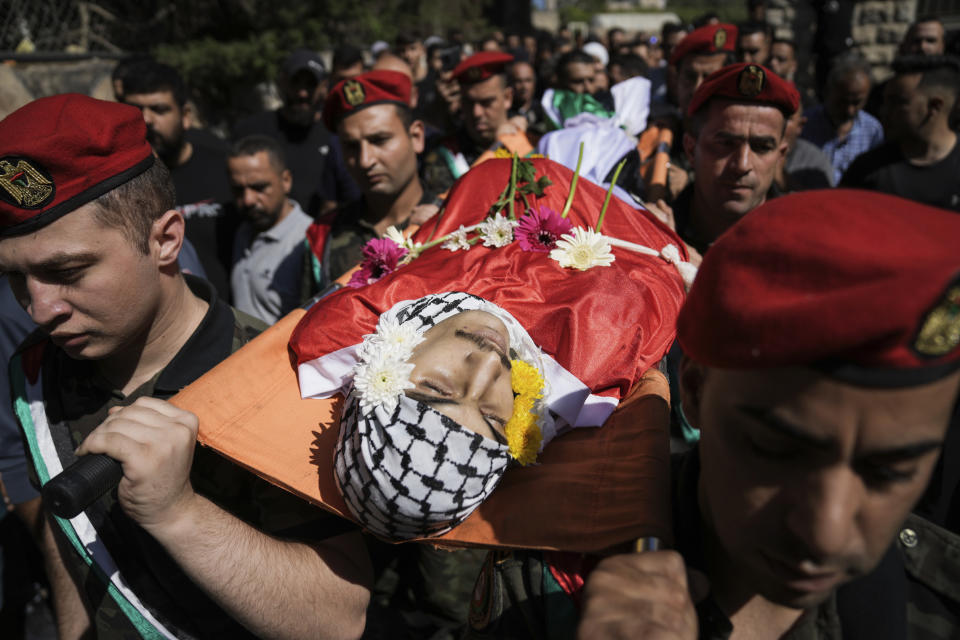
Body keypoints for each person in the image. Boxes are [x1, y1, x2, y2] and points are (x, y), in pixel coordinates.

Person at [0, 94, 370, 639]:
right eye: (14, 277)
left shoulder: (286, 378)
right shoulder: (32, 372)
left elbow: (337, 620)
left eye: (69, 270)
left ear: (166, 239)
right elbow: (70, 539)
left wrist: (178, 514)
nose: (39, 307)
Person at [578, 188, 960, 639]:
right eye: (775, 451)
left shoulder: (942, 600)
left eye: (891, 471)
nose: (827, 533)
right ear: (695, 390)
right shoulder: (559, 576)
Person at [306, 70, 433, 291]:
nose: (365, 161)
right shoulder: (323, 238)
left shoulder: (452, 217)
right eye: (351, 147)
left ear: (416, 137)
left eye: (379, 140)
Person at [122, 60, 235, 298]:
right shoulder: (117, 185)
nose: (146, 120)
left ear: (185, 116)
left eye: (159, 109)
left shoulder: (224, 168)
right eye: (135, 110)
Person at [671, 63, 796, 256]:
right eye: (726, 144)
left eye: (762, 148)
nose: (742, 165)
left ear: (780, 156)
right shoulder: (653, 234)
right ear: (690, 149)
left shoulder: (801, 244)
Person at [842, 55, 960, 212]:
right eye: (884, 102)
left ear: (934, 107)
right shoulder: (867, 171)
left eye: (897, 102)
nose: (884, 111)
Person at [233, 48, 333, 217]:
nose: (302, 93)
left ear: (324, 87)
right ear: (282, 82)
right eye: (296, 83)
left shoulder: (336, 134)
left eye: (310, 84)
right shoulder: (251, 131)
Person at [420, 52, 537, 196]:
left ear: (507, 97)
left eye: (486, 102)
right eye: (468, 103)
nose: (477, 113)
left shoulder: (532, 143)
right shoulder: (445, 156)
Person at [228, 135, 314, 324]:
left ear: (286, 180)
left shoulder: (309, 240)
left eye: (259, 187)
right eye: (238, 190)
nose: (248, 199)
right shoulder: (244, 230)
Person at [801, 55, 883, 184]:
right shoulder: (804, 124)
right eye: (842, 101)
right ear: (828, 91)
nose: (849, 110)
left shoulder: (872, 131)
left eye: (857, 103)